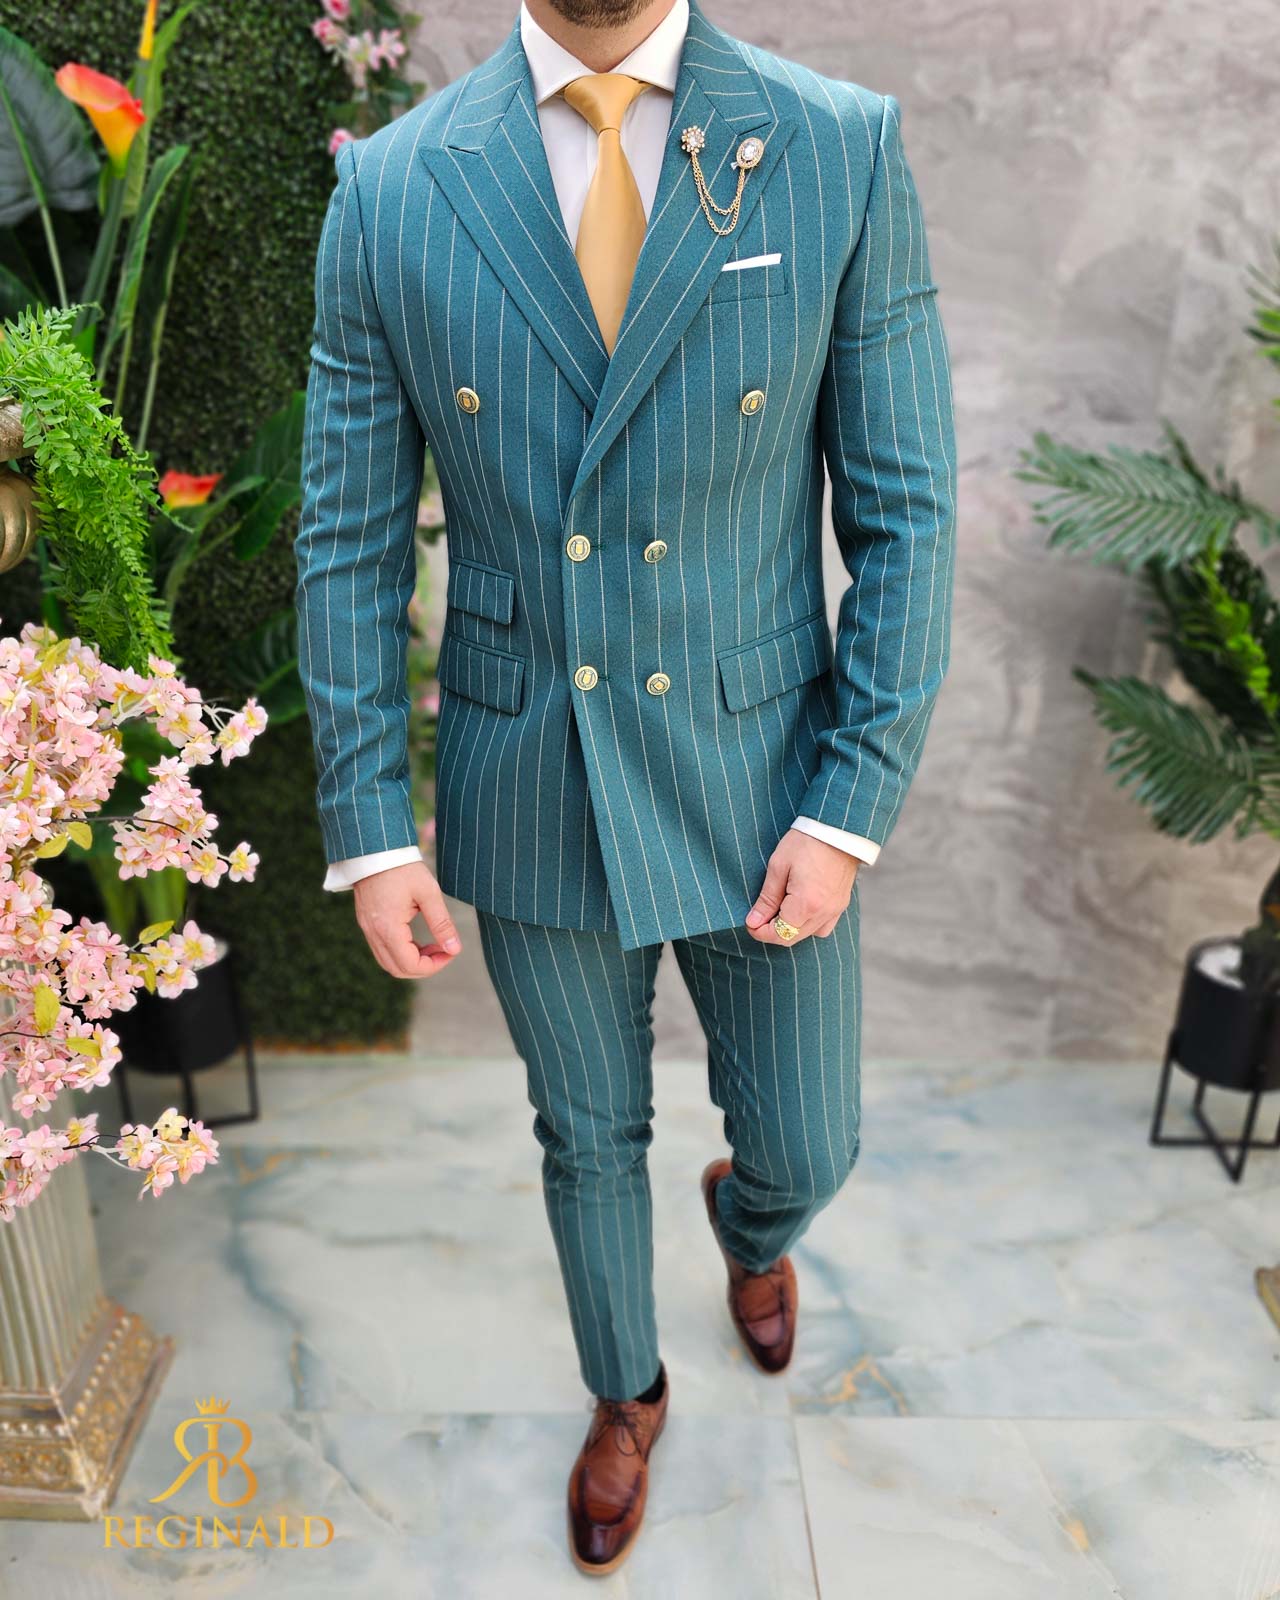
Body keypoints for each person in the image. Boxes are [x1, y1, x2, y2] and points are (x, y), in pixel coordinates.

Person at [295, 0, 955, 1574]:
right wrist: (371, 824)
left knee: (811, 1142)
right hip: (533, 758)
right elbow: (347, 535)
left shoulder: (836, 146)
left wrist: (850, 804)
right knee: (585, 1133)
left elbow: (907, 512)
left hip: (763, 770)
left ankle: (753, 1222)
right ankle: (625, 1395)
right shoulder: (392, 187)